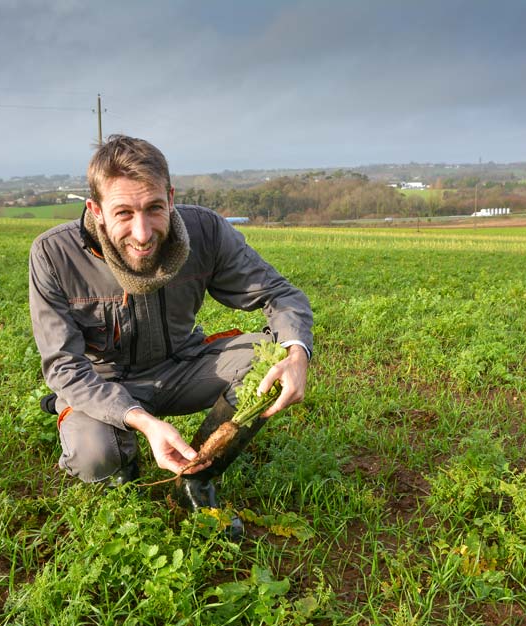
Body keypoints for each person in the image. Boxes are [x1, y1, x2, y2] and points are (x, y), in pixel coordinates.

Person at [29, 135, 313, 537]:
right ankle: (121, 463)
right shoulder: (54, 254)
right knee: (95, 455)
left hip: (182, 365)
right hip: (104, 383)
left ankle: (196, 477)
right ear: (96, 209)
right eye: (124, 213)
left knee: (265, 363)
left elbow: (280, 295)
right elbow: (64, 366)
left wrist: (297, 352)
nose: (142, 233)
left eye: (154, 208)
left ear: (171, 198)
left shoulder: (206, 231)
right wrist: (142, 422)